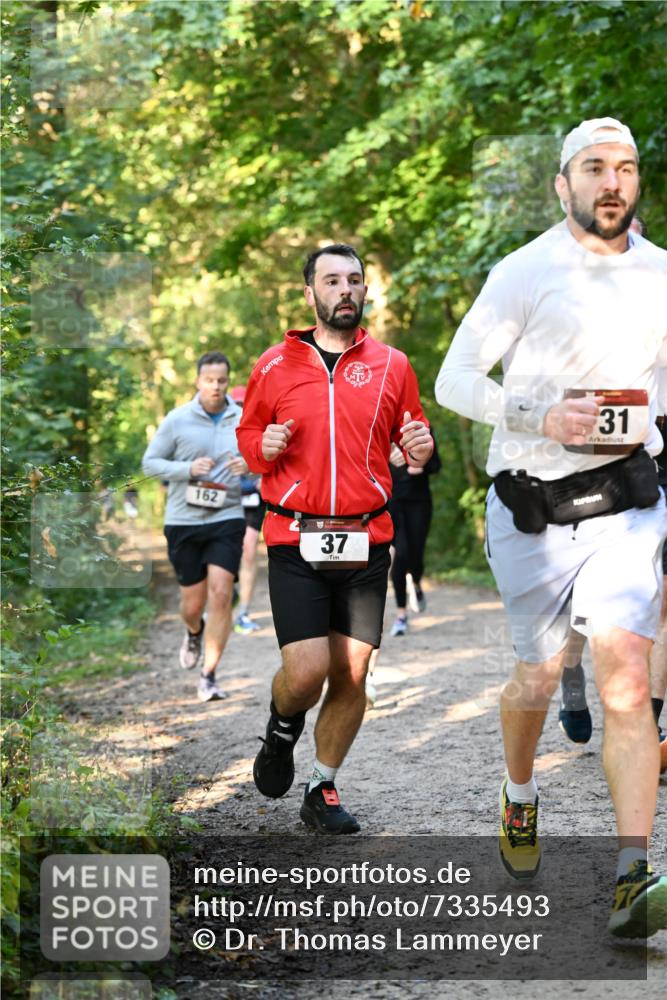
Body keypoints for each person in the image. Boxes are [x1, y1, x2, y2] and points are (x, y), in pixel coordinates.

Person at [435, 117, 667, 937]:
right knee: (535, 678)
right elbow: (454, 379)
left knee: (624, 678)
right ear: (561, 185)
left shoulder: (660, 274)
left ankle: (630, 877)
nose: (611, 182)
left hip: (627, 504)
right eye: (594, 167)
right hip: (531, 508)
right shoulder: (523, 271)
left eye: (625, 168)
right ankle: (519, 792)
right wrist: (540, 414)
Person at [237, 243, 433, 834]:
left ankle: (321, 786)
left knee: (352, 672)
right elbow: (248, 436)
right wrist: (261, 447)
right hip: (294, 537)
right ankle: (281, 730)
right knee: (305, 673)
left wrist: (419, 446)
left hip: (366, 538)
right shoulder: (273, 365)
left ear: (365, 290)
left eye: (353, 280)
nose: (344, 289)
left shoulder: (393, 364)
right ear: (310, 293)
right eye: (331, 281)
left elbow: (413, 432)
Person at [142, 352, 247, 702]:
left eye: (221, 380)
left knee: (221, 593)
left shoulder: (243, 418)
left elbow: (266, 460)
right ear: (198, 381)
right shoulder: (177, 419)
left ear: (228, 381)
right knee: (192, 604)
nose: (215, 386)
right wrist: (187, 470)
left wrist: (248, 465)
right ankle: (193, 631)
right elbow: (150, 464)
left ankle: (208, 675)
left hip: (227, 516)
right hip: (183, 520)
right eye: (209, 380)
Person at [387, 434, 441, 637]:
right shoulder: (381, 427)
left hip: (419, 502)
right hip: (393, 501)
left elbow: (436, 465)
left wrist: (422, 465)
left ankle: (416, 582)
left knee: (415, 555)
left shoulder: (421, 429)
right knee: (400, 554)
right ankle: (401, 615)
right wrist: (385, 456)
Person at [229, 385, 265, 635]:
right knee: (224, 551)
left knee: (249, 549)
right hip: (227, 499)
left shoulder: (261, 426)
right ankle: (224, 598)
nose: (241, 409)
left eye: (245, 405)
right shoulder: (221, 430)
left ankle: (243, 611)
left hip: (254, 498)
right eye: (238, 405)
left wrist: (265, 477)